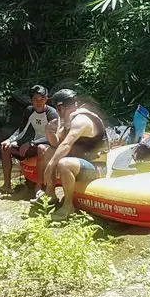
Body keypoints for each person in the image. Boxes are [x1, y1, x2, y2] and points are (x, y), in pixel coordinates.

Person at [41, 88, 107, 219]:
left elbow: (66, 145)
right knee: (48, 151)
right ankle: (50, 194)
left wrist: (49, 168)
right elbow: (56, 144)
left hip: (97, 167)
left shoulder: (81, 120)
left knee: (63, 163)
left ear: (60, 107)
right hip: (81, 163)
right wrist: (49, 132)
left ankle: (68, 206)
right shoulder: (69, 119)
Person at [0, 85, 58, 194]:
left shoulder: (52, 113)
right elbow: (21, 130)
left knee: (41, 148)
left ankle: (38, 186)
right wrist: (9, 140)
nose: (38, 102)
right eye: (35, 99)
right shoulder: (29, 111)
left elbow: (55, 136)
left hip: (48, 145)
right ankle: (7, 185)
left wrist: (31, 143)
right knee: (4, 147)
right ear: (31, 100)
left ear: (46, 99)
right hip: (33, 143)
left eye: (41, 99)